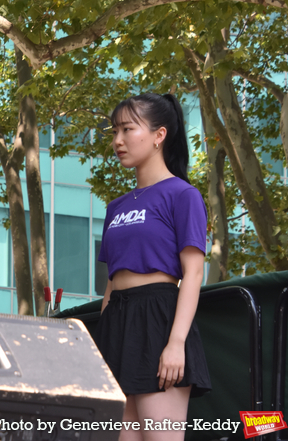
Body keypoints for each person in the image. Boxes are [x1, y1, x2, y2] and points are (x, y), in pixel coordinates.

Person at [95, 93, 211, 441]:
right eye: (114, 131)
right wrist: (103, 343)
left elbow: (193, 272)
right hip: (118, 321)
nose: (118, 141)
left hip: (159, 319)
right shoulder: (115, 207)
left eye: (128, 129)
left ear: (159, 135)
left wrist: (176, 343)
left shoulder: (182, 194)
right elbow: (112, 282)